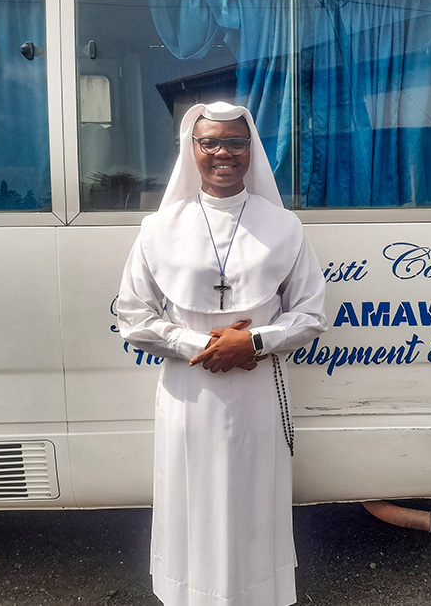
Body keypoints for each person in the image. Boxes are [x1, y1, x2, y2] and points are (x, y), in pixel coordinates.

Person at [117, 101, 328, 606]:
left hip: (256, 395)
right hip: (189, 395)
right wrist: (203, 346)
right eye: (210, 142)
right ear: (192, 150)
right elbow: (133, 317)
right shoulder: (157, 229)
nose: (223, 152)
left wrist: (253, 341)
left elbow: (311, 314)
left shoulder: (285, 226)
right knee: (193, 502)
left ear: (250, 149)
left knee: (253, 504)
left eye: (235, 141)